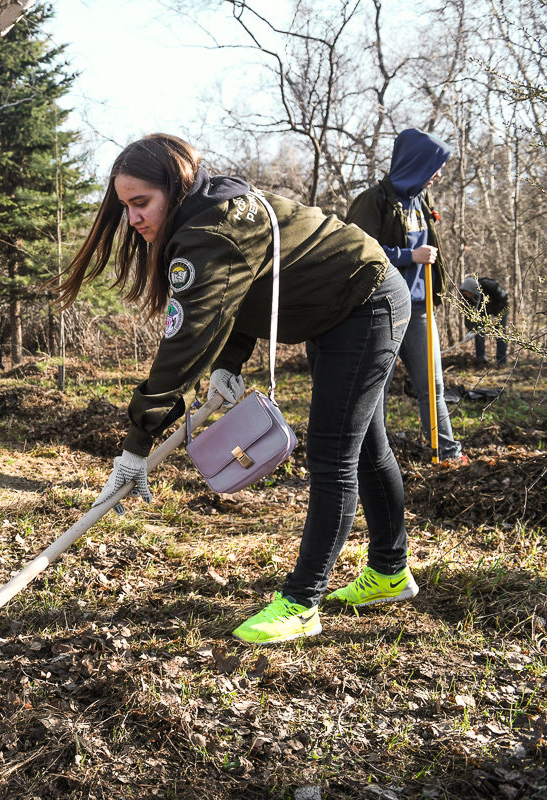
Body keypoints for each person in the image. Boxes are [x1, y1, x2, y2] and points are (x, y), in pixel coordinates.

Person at [61, 134, 413, 645]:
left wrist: (136, 446)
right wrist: (230, 361)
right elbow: (246, 287)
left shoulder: (211, 230)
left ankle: (302, 603)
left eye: (142, 203)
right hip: (335, 310)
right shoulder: (210, 212)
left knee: (335, 453)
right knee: (366, 446)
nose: (133, 219)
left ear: (176, 189)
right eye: (125, 207)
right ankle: (389, 573)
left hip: (365, 301)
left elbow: (183, 343)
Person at [346, 128, 464, 462]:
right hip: (379, 309)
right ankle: (373, 457)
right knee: (375, 390)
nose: (438, 174)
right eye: (433, 166)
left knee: (433, 385)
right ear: (416, 163)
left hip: (419, 308)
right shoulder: (372, 201)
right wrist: (408, 256)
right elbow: (355, 250)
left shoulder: (420, 200)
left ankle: (446, 453)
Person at [459, 276, 509, 366]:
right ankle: (481, 360)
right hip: (483, 311)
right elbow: (468, 314)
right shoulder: (466, 298)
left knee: (500, 334)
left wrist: (497, 317)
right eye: (466, 294)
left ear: (474, 289)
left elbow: (504, 298)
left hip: (500, 309)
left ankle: (501, 361)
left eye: (469, 293)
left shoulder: (488, 285)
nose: (468, 296)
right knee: (478, 332)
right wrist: (471, 330)